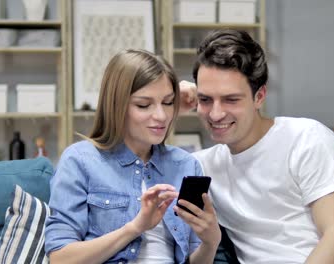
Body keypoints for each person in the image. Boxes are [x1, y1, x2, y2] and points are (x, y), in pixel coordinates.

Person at [179, 29, 334, 263]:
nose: (215, 114)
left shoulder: (306, 139)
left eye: (231, 99)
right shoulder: (202, 165)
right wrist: (167, 102)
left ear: (259, 96)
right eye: (205, 100)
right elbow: (136, 162)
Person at [45, 49, 221, 264]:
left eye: (167, 102)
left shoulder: (185, 164)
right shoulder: (81, 160)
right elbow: (61, 259)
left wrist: (211, 243)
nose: (161, 116)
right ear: (116, 106)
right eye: (143, 105)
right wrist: (135, 227)